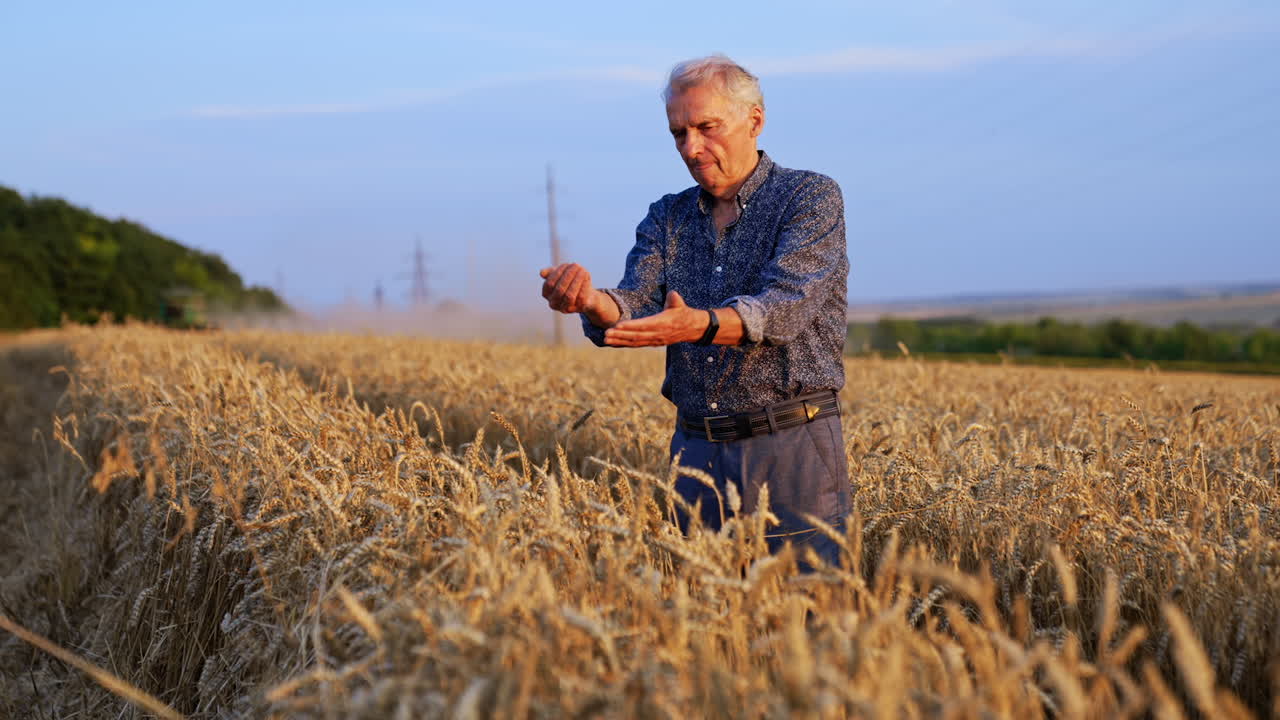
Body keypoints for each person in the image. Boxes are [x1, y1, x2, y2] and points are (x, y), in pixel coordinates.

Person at [538, 54, 851, 570]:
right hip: (697, 451)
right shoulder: (668, 215)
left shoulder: (809, 197)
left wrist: (700, 325)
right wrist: (591, 301)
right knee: (704, 622)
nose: (691, 148)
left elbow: (786, 307)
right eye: (678, 133)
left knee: (811, 618)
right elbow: (636, 301)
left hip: (794, 445)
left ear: (755, 119)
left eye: (706, 127)